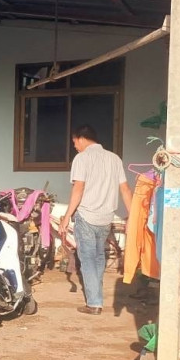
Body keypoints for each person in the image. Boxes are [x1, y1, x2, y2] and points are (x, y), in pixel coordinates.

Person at [58, 125, 133, 316]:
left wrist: (66, 217)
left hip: (86, 216)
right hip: (106, 218)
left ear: (82, 138)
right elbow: (125, 189)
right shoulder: (114, 158)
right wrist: (133, 215)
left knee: (88, 259)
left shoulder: (82, 158)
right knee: (99, 257)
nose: (75, 146)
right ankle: (96, 296)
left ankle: (94, 303)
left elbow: (78, 189)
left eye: (74, 142)